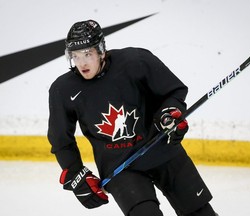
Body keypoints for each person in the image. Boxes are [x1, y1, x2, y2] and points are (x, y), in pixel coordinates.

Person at [47, 19, 218, 216]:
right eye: (76, 56)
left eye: (87, 54)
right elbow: (61, 140)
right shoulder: (64, 89)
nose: (82, 63)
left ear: (101, 51)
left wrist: (169, 115)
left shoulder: (136, 62)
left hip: (162, 150)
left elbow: (173, 92)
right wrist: (76, 174)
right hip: (121, 168)